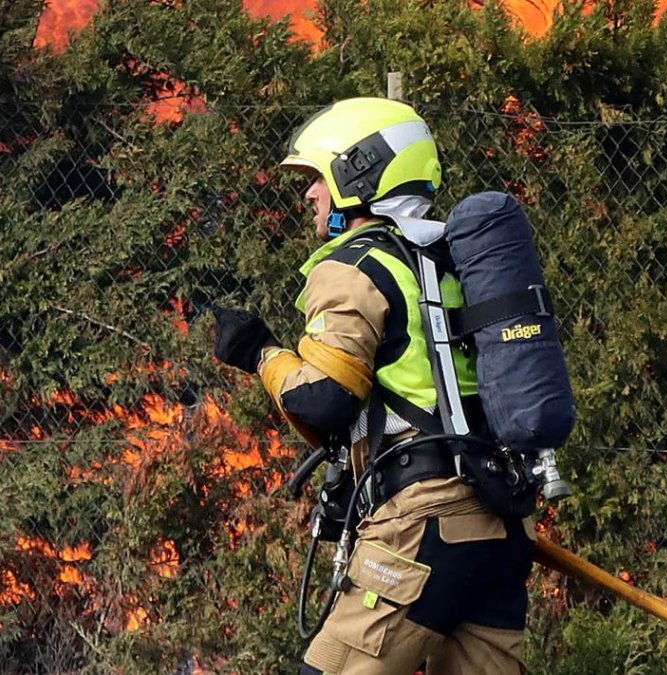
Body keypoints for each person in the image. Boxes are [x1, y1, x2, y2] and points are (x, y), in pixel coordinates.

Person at [211, 97, 536, 675]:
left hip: (421, 526)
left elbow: (323, 401)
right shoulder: (454, 259)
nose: (309, 194)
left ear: (356, 173)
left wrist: (259, 353)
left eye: (316, 177)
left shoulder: (354, 266)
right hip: (501, 528)